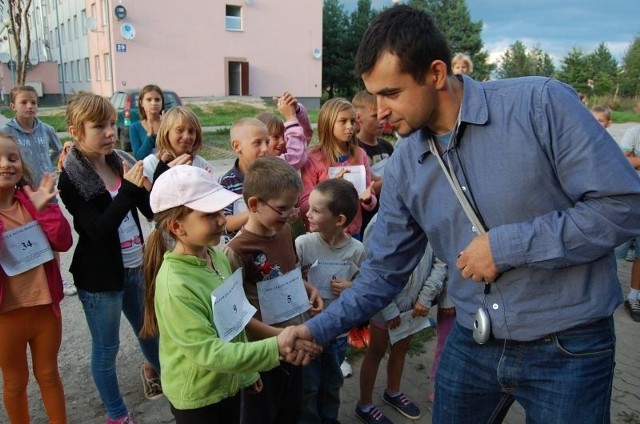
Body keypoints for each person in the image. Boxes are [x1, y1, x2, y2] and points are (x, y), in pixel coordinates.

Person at [285, 6, 640, 423]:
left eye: (391, 93)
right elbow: (383, 272)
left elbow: (623, 206)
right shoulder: (402, 166)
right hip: (474, 341)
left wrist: (506, 247)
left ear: (436, 73)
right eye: (374, 94)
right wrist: (316, 330)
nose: (377, 111)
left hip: (570, 346)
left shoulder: (540, 105)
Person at [139, 165, 319, 424]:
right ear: (177, 226)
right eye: (209, 215)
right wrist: (276, 346)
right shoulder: (175, 285)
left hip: (229, 383)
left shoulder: (215, 257)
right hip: (199, 400)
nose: (223, 220)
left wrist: (247, 374)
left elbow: (234, 322)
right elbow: (209, 352)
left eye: (221, 211)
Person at [57, 92, 162, 424]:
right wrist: (130, 190)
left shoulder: (120, 161)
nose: (109, 132)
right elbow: (97, 229)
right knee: (107, 351)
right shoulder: (71, 177)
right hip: (100, 279)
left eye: (113, 124)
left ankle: (174, 385)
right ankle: (117, 415)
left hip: (134, 267)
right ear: (76, 131)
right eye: (98, 126)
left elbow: (148, 212)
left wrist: (150, 185)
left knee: (150, 333)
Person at [224, 156, 323, 424]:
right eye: (283, 208)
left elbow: (287, 272)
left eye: (293, 207)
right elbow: (237, 318)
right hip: (264, 353)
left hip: (295, 343)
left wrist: (308, 289)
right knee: (261, 414)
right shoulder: (236, 252)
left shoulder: (286, 230)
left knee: (292, 410)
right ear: (254, 204)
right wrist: (280, 337)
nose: (291, 214)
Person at [0, 132, 72, 424]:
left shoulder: (33, 201)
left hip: (45, 310)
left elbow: (63, 241)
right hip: (6, 317)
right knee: (15, 382)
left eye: (12, 157)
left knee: (49, 375)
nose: (6, 163)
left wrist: (45, 210)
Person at [356, 213, 446, 424]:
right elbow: (371, 267)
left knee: (402, 347)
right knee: (376, 350)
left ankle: (393, 392)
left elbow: (442, 260)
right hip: (384, 303)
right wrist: (389, 310)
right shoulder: (381, 221)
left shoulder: (431, 216)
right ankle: (364, 405)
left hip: (414, 304)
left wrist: (425, 297)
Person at [295, 178, 366, 424]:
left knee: (333, 383)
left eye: (316, 210)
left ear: (339, 220)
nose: (308, 213)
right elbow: (289, 279)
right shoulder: (303, 244)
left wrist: (351, 286)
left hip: (336, 336)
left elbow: (366, 286)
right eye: (309, 208)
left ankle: (330, 419)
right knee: (309, 386)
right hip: (309, 333)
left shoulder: (356, 250)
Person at [1, 86, 76, 296]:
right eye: (24, 102)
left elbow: (57, 149)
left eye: (33, 102)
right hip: (22, 193)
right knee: (25, 236)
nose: (29, 106)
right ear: (13, 106)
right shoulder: (8, 132)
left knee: (52, 235)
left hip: (46, 191)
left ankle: (58, 280)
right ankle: (26, 280)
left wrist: (48, 167)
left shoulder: (46, 130)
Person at [300, 98, 376, 238]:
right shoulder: (313, 157)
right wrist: (329, 189)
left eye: (353, 121)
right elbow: (305, 205)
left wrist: (368, 199)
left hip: (353, 234)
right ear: (328, 123)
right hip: (322, 235)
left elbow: (370, 200)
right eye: (343, 121)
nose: (350, 126)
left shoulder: (360, 155)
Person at [218, 118, 270, 239]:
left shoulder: (272, 177)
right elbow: (224, 224)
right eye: (257, 143)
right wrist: (257, 211)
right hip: (240, 251)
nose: (265, 148)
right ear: (237, 146)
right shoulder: (227, 182)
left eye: (267, 142)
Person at [141, 106, 213, 190]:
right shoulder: (150, 164)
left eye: (191, 131)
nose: (186, 136)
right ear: (166, 133)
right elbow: (150, 200)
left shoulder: (201, 164)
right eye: (179, 130)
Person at [352, 90, 394, 233]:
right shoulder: (353, 149)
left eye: (384, 115)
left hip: (387, 214)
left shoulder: (387, 146)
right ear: (358, 118)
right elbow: (362, 189)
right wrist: (392, 179)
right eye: (375, 116)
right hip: (363, 220)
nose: (382, 120)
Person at [616, 124, 640, 321]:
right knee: (615, 249)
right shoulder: (635, 132)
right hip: (633, 198)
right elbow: (621, 160)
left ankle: (634, 295)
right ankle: (632, 295)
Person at [256, 90, 313, 169]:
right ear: (259, 141)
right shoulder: (267, 165)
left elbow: (306, 133)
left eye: (284, 136)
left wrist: (296, 110)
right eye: (276, 137)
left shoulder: (282, 154)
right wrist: (291, 118)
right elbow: (296, 158)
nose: (283, 141)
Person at [130, 85, 164, 160]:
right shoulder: (135, 127)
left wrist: (165, 131)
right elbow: (138, 157)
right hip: (147, 170)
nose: (153, 103)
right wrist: (149, 136)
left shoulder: (168, 124)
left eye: (157, 100)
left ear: (162, 102)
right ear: (141, 103)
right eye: (149, 100)